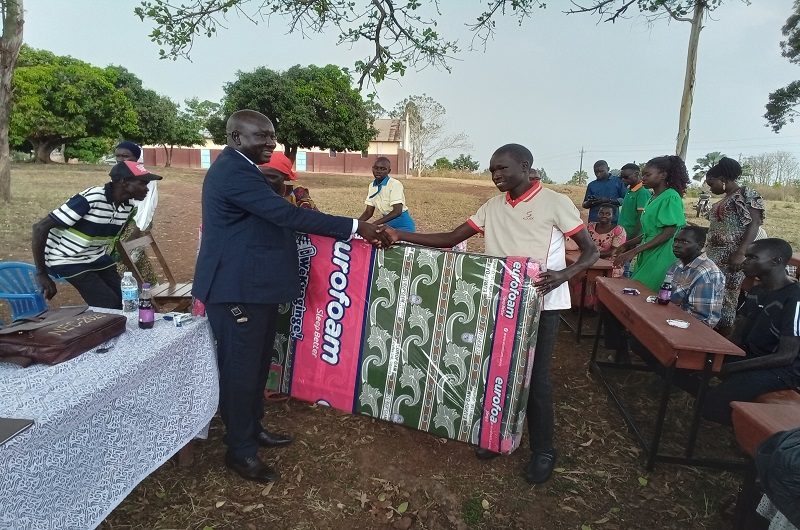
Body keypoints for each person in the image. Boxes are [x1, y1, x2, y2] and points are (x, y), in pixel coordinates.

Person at [380, 143, 600, 484]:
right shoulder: (492, 206)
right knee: (499, 371)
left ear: (525, 166)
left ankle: (544, 449)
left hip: (542, 305)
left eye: (503, 168)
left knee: (535, 379)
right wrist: (400, 234)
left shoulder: (556, 202)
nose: (496, 175)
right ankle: (499, 438)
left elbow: (590, 251)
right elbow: (452, 237)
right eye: (492, 170)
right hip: (503, 304)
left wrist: (563, 276)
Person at [192, 109, 389, 484]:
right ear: (236, 138)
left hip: (254, 288)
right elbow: (289, 216)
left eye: (272, 135)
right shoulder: (233, 171)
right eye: (261, 136)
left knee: (257, 366)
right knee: (240, 372)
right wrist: (357, 227)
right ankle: (240, 451)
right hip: (236, 290)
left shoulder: (244, 168)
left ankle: (252, 430)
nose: (270, 142)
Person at [31, 161, 162, 309]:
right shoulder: (92, 198)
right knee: (109, 306)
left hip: (97, 258)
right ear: (124, 181)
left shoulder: (128, 206)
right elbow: (39, 228)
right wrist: (41, 273)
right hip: (68, 259)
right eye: (143, 184)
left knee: (129, 301)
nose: (146, 189)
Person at [702, 238, 800, 426]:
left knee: (711, 404)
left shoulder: (794, 299)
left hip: (782, 369)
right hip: (752, 356)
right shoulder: (756, 291)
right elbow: (738, 335)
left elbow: (787, 356)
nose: (745, 262)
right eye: (746, 256)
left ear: (776, 261)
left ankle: (753, 429)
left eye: (753, 257)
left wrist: (732, 367)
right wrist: (717, 355)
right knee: (690, 366)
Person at [626, 226, 725, 370]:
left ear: (701, 246)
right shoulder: (677, 265)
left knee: (643, 341)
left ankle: (679, 376)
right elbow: (666, 297)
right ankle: (663, 368)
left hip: (692, 329)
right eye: (676, 241)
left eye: (685, 242)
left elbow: (702, 319)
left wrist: (663, 322)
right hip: (671, 319)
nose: (677, 245)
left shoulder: (707, 273)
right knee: (637, 335)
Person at [704, 157, 765, 335]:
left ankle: (722, 340)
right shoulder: (726, 198)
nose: (711, 188)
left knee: (727, 297)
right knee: (713, 296)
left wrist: (741, 252)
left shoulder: (746, 193)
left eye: (712, 183)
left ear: (723, 179)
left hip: (732, 257)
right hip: (714, 257)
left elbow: (754, 224)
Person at [613, 155, 689, 292]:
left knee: (645, 291)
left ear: (663, 175)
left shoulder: (671, 197)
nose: (643, 178)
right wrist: (627, 245)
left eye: (648, 175)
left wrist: (634, 251)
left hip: (662, 254)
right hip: (648, 250)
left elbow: (668, 232)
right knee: (638, 290)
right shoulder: (653, 197)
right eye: (643, 175)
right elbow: (651, 231)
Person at [112, 141, 159, 284]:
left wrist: (136, 232)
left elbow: (145, 208)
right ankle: (151, 286)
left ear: (136, 158)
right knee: (137, 257)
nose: (121, 159)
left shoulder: (145, 177)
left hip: (138, 222)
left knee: (124, 260)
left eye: (125, 156)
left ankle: (131, 293)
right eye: (118, 156)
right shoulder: (118, 174)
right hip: (123, 221)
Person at [574, 204, 626, 307]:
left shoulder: (618, 231)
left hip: (609, 263)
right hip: (590, 259)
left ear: (613, 216)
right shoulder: (590, 227)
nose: (604, 216)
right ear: (597, 214)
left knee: (590, 275)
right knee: (577, 272)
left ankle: (595, 306)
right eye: (601, 213)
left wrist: (591, 255)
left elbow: (613, 252)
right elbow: (582, 244)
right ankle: (579, 304)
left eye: (608, 214)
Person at [358, 156, 416, 231]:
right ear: (372, 168)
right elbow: (368, 212)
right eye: (376, 168)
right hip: (388, 225)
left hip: (403, 226)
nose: (379, 171)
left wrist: (374, 224)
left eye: (383, 169)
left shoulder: (394, 184)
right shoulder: (372, 186)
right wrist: (356, 224)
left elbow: (397, 211)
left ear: (389, 171)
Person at [618, 163, 651, 240]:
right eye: (621, 177)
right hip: (623, 234)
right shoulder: (629, 190)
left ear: (636, 174)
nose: (623, 180)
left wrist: (632, 239)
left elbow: (642, 218)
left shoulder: (643, 192)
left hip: (633, 236)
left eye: (626, 177)